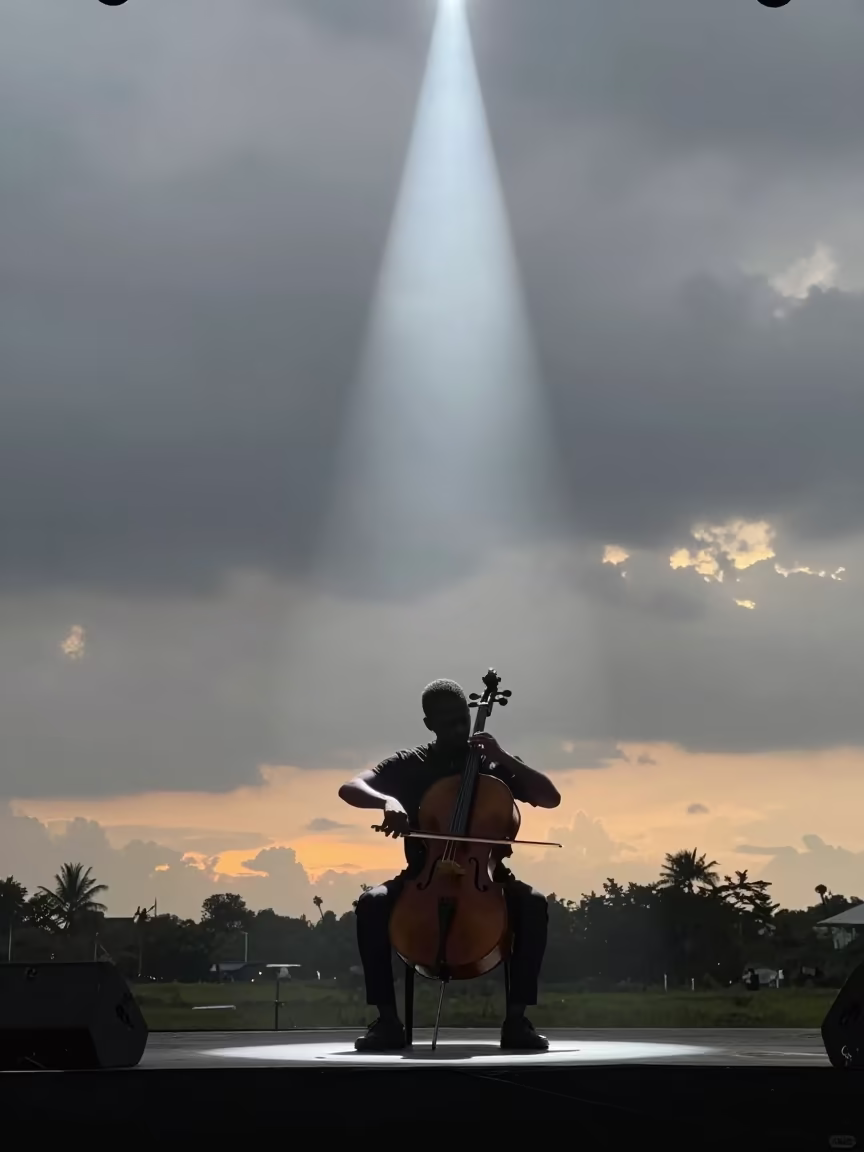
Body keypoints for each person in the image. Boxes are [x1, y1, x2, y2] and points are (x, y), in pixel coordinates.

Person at [338, 678, 561, 1052]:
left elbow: (550, 797)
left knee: (534, 903)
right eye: (448, 723)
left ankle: (517, 1020)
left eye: (462, 720)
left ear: (470, 714)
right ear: (430, 725)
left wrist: (503, 757)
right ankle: (388, 1021)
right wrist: (388, 802)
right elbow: (351, 787)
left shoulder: (492, 764)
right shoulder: (411, 763)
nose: (459, 729)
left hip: (487, 878)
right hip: (422, 877)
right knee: (371, 903)